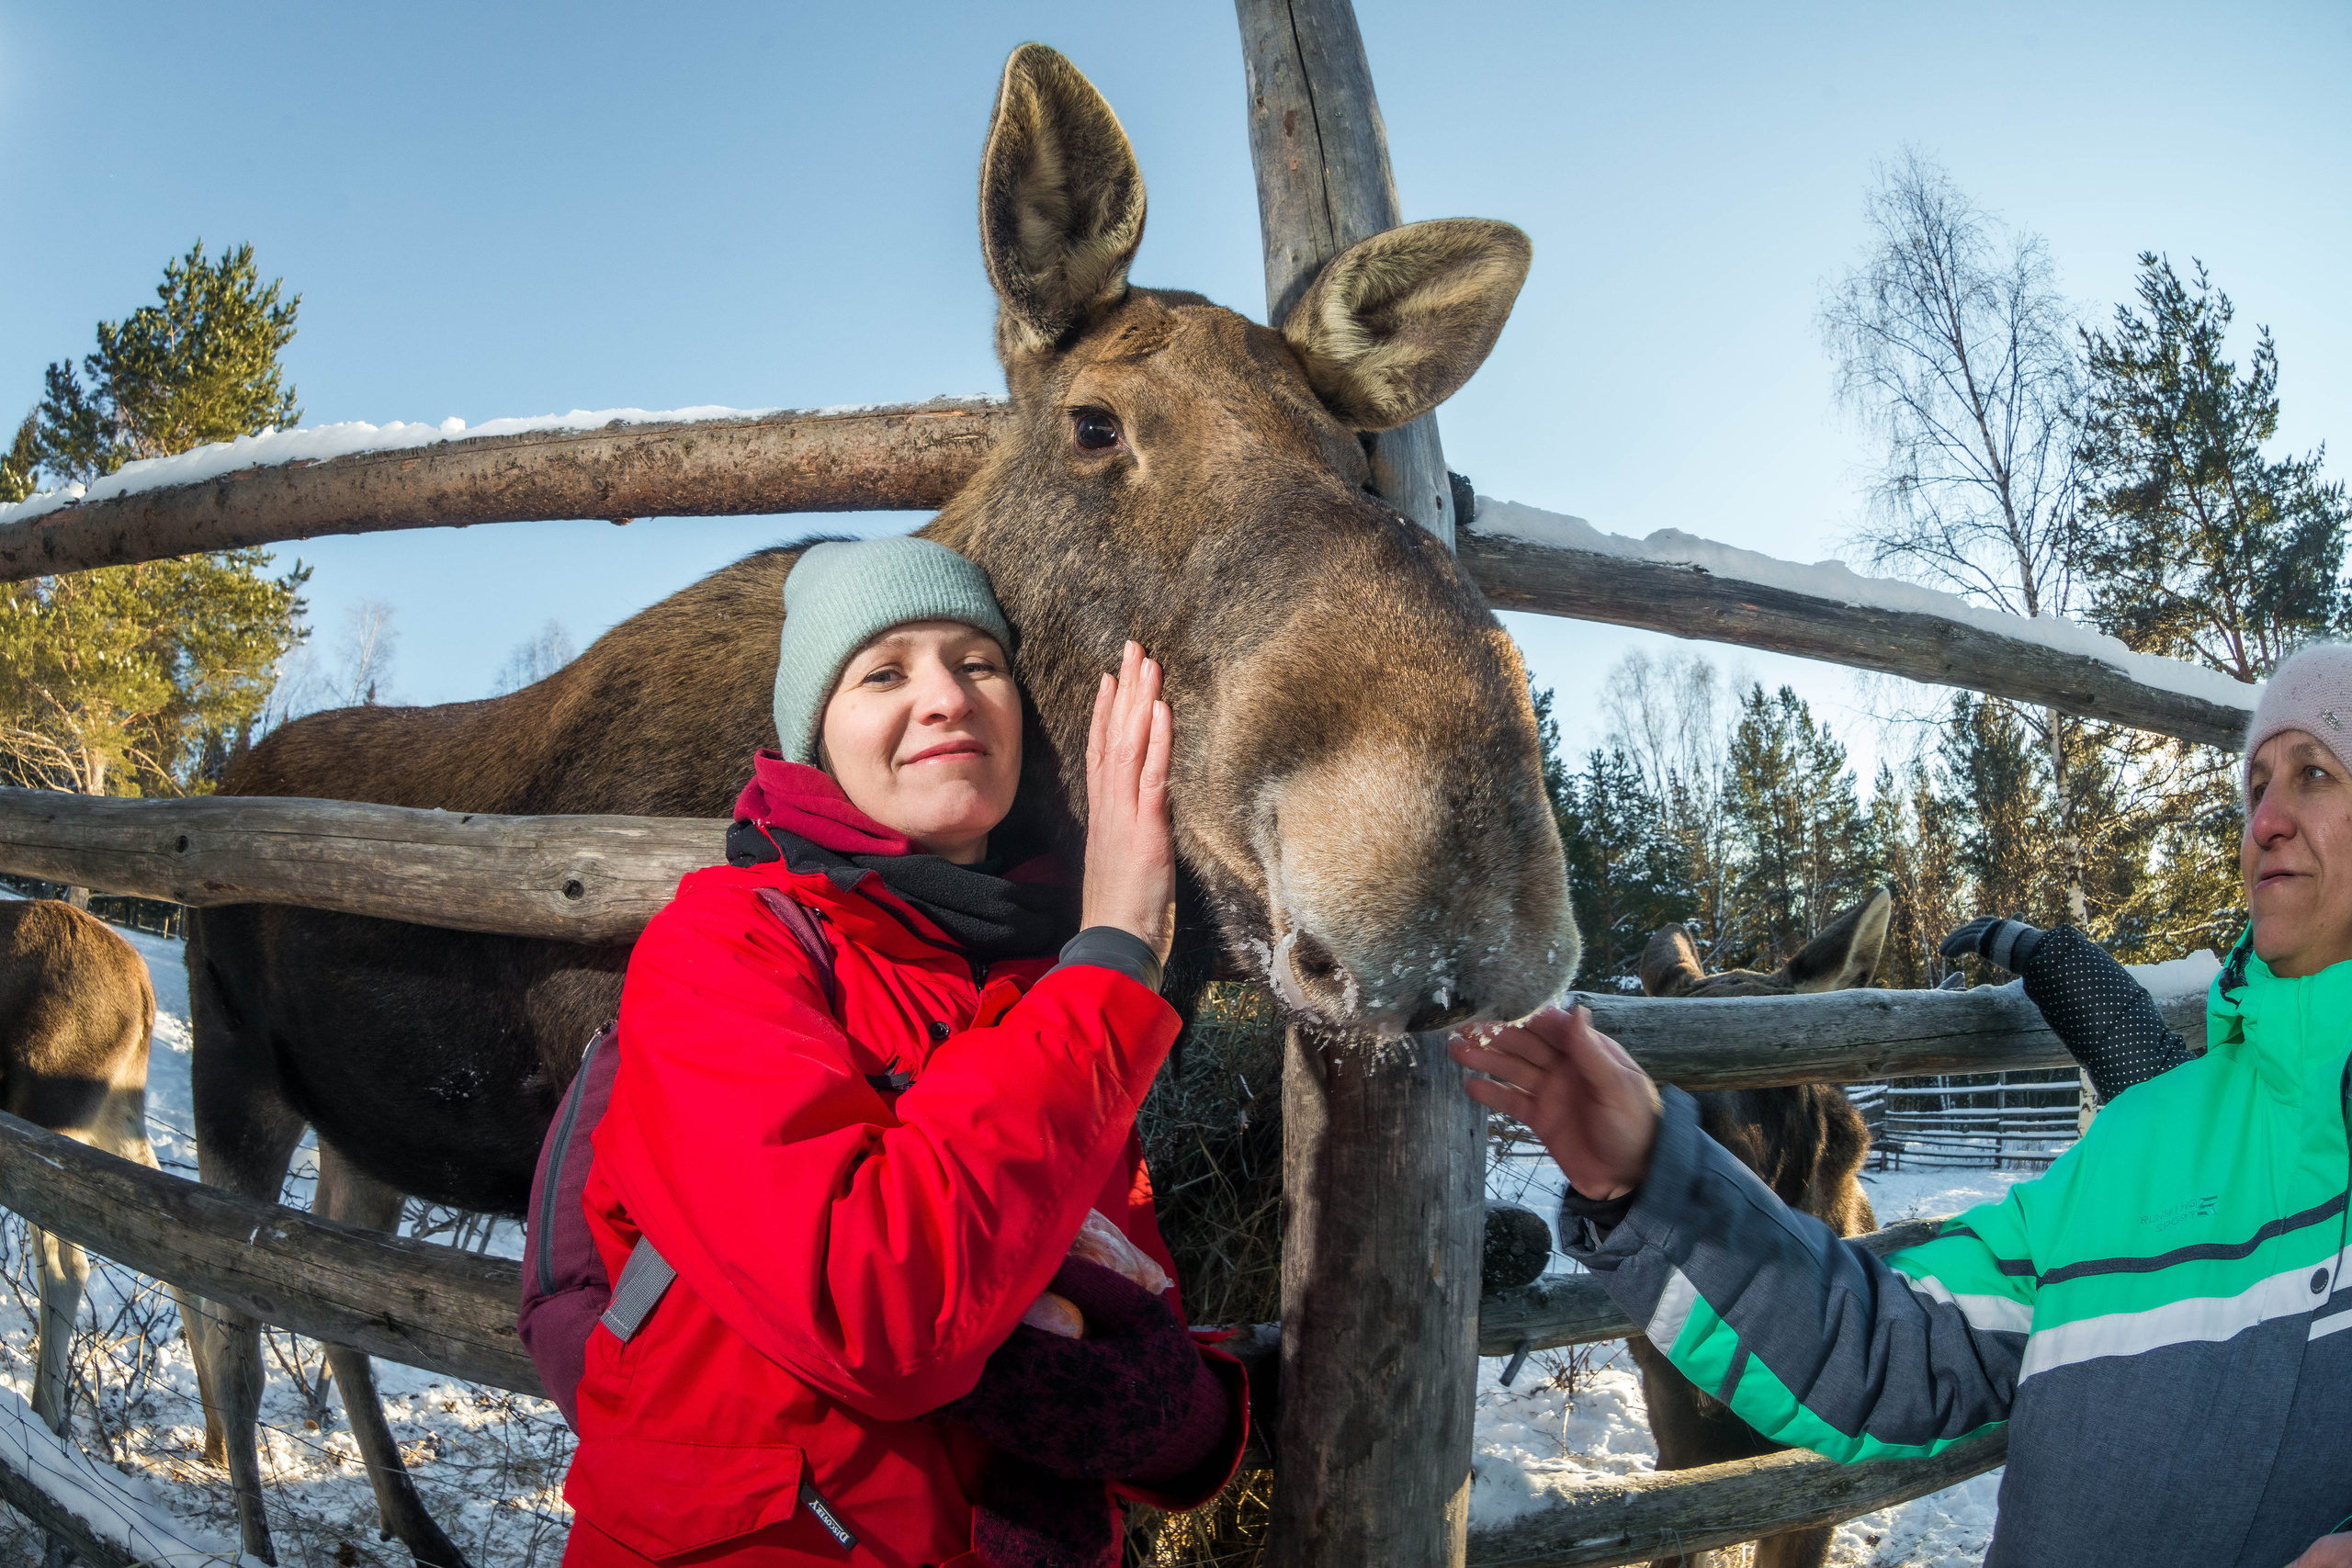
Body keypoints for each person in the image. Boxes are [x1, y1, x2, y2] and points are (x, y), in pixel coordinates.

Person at [1453, 641, 2352, 1568]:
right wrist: (1649, 1174)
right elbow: (1885, 1350)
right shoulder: (2138, 1144)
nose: (2268, 818)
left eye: (2313, 773)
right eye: (2252, 785)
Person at [563, 537, 1246, 1568]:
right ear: (814, 741)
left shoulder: (1038, 987)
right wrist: (1112, 953)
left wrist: (1171, 1414)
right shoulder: (723, 949)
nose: (947, 698)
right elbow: (877, 1317)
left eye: (979, 664)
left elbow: (1113, 1299)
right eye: (883, 673)